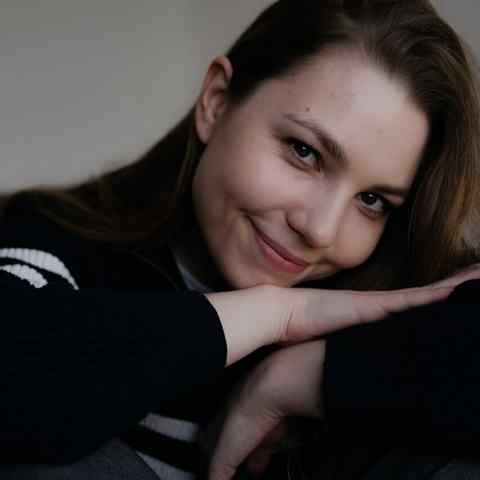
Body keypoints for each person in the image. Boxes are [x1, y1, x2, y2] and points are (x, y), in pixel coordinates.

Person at [0, 0, 479, 479]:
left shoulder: (399, 306)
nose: (320, 230)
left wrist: (312, 376)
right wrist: (275, 314)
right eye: (304, 152)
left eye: (372, 200)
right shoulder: (50, 234)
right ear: (216, 101)